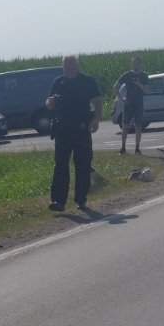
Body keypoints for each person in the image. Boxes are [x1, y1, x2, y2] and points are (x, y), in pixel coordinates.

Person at [45, 55, 102, 212]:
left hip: (81, 128)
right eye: (66, 66)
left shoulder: (87, 81)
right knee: (60, 165)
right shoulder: (58, 82)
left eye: (72, 65)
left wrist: (96, 119)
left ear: (77, 65)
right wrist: (49, 102)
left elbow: (97, 102)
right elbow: (48, 102)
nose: (69, 68)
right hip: (63, 129)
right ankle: (58, 201)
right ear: (63, 66)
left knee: (83, 164)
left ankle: (81, 199)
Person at [115, 55, 149, 155]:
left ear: (140, 64)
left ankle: (137, 148)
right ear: (132, 64)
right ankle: (123, 147)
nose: (136, 65)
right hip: (128, 103)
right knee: (125, 125)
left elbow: (146, 91)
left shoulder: (144, 76)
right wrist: (121, 98)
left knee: (138, 126)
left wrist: (139, 84)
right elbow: (115, 86)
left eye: (137, 64)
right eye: (134, 64)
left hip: (139, 103)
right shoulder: (127, 75)